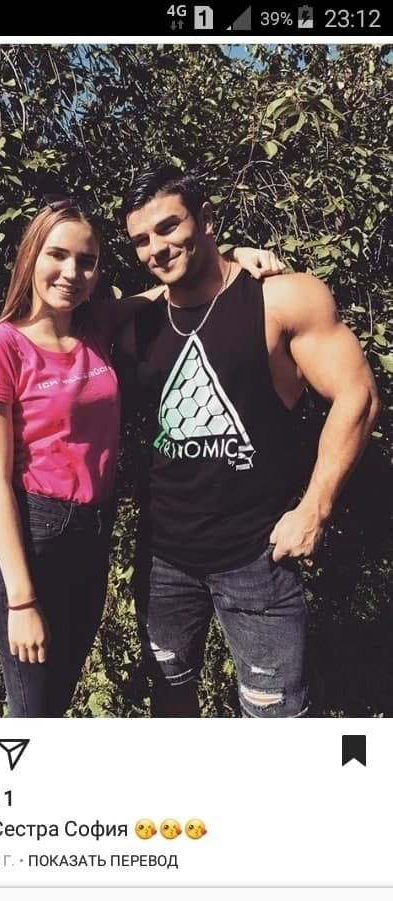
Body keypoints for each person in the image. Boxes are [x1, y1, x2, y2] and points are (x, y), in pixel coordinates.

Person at [0, 197, 285, 718]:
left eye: (86, 261)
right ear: (30, 257)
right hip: (36, 539)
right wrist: (21, 600)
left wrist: (236, 258)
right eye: (57, 255)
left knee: (58, 697)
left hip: (93, 537)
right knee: (32, 712)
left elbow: (173, 286)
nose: (72, 273)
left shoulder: (95, 327)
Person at [118, 166, 380, 718]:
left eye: (169, 227)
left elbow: (357, 396)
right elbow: (51, 317)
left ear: (206, 220)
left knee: (274, 717)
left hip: (257, 557)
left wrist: (314, 509)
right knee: (169, 697)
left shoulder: (281, 299)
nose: (156, 248)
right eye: (141, 240)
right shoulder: (139, 319)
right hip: (163, 556)